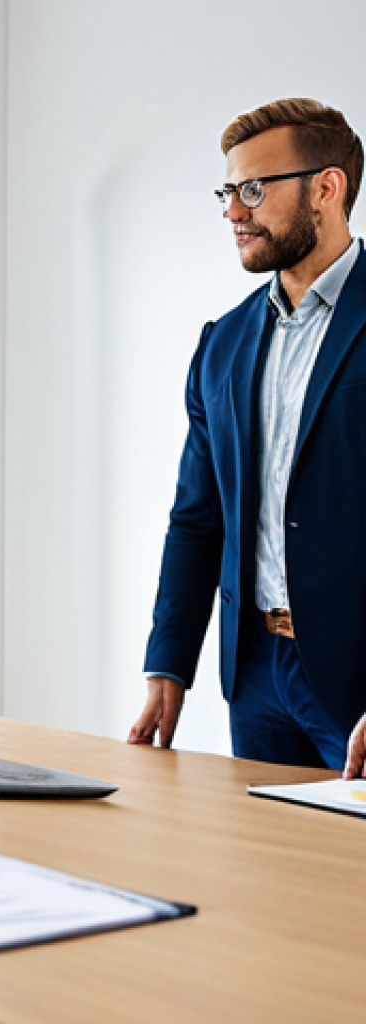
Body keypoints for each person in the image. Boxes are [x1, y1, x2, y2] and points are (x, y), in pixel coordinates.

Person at [129, 98, 366, 772]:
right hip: (255, 676)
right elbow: (196, 519)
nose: (234, 211)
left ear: (326, 188)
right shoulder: (223, 344)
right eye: (228, 192)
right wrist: (168, 665)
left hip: (358, 679)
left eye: (255, 189)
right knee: (259, 846)